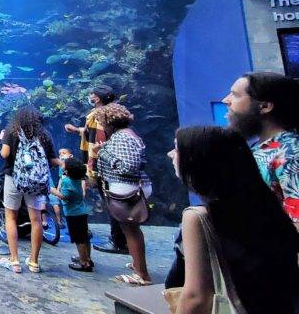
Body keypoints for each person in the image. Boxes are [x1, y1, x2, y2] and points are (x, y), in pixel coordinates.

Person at [171, 126, 299, 313]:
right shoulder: (266, 207)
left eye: (176, 149)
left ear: (197, 161)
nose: (170, 154)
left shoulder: (198, 218)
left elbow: (196, 297)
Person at [223, 71, 299, 226]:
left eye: (235, 95)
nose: (226, 100)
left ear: (265, 106)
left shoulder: (291, 155)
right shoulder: (260, 148)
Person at [64, 85, 127, 254]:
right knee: (116, 203)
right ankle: (122, 238)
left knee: (111, 203)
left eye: (92, 94)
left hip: (102, 167)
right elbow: (93, 134)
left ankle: (118, 241)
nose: (90, 96)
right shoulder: (113, 113)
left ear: (97, 98)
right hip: (111, 166)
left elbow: (95, 144)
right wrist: (78, 130)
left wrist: (91, 171)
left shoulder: (98, 116)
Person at [94, 103, 152, 285]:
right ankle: (137, 265)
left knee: (131, 231)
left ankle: (142, 275)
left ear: (109, 121)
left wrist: (102, 152)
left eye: (102, 122)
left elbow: (127, 167)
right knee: (130, 231)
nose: (101, 126)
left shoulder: (122, 137)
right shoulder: (127, 134)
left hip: (127, 190)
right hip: (128, 189)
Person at [0, 105, 61, 274]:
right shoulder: (44, 134)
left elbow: (4, 154)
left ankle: (15, 261)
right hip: (37, 182)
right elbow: (53, 159)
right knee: (36, 220)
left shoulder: (11, 131)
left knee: (10, 217)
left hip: (14, 178)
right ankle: (34, 262)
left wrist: (2, 140)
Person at [51, 157, 93, 272]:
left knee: (79, 239)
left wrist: (53, 190)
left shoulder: (66, 181)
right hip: (81, 211)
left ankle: (84, 263)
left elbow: (65, 196)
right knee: (84, 237)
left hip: (73, 214)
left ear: (68, 170)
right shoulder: (78, 179)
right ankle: (87, 258)